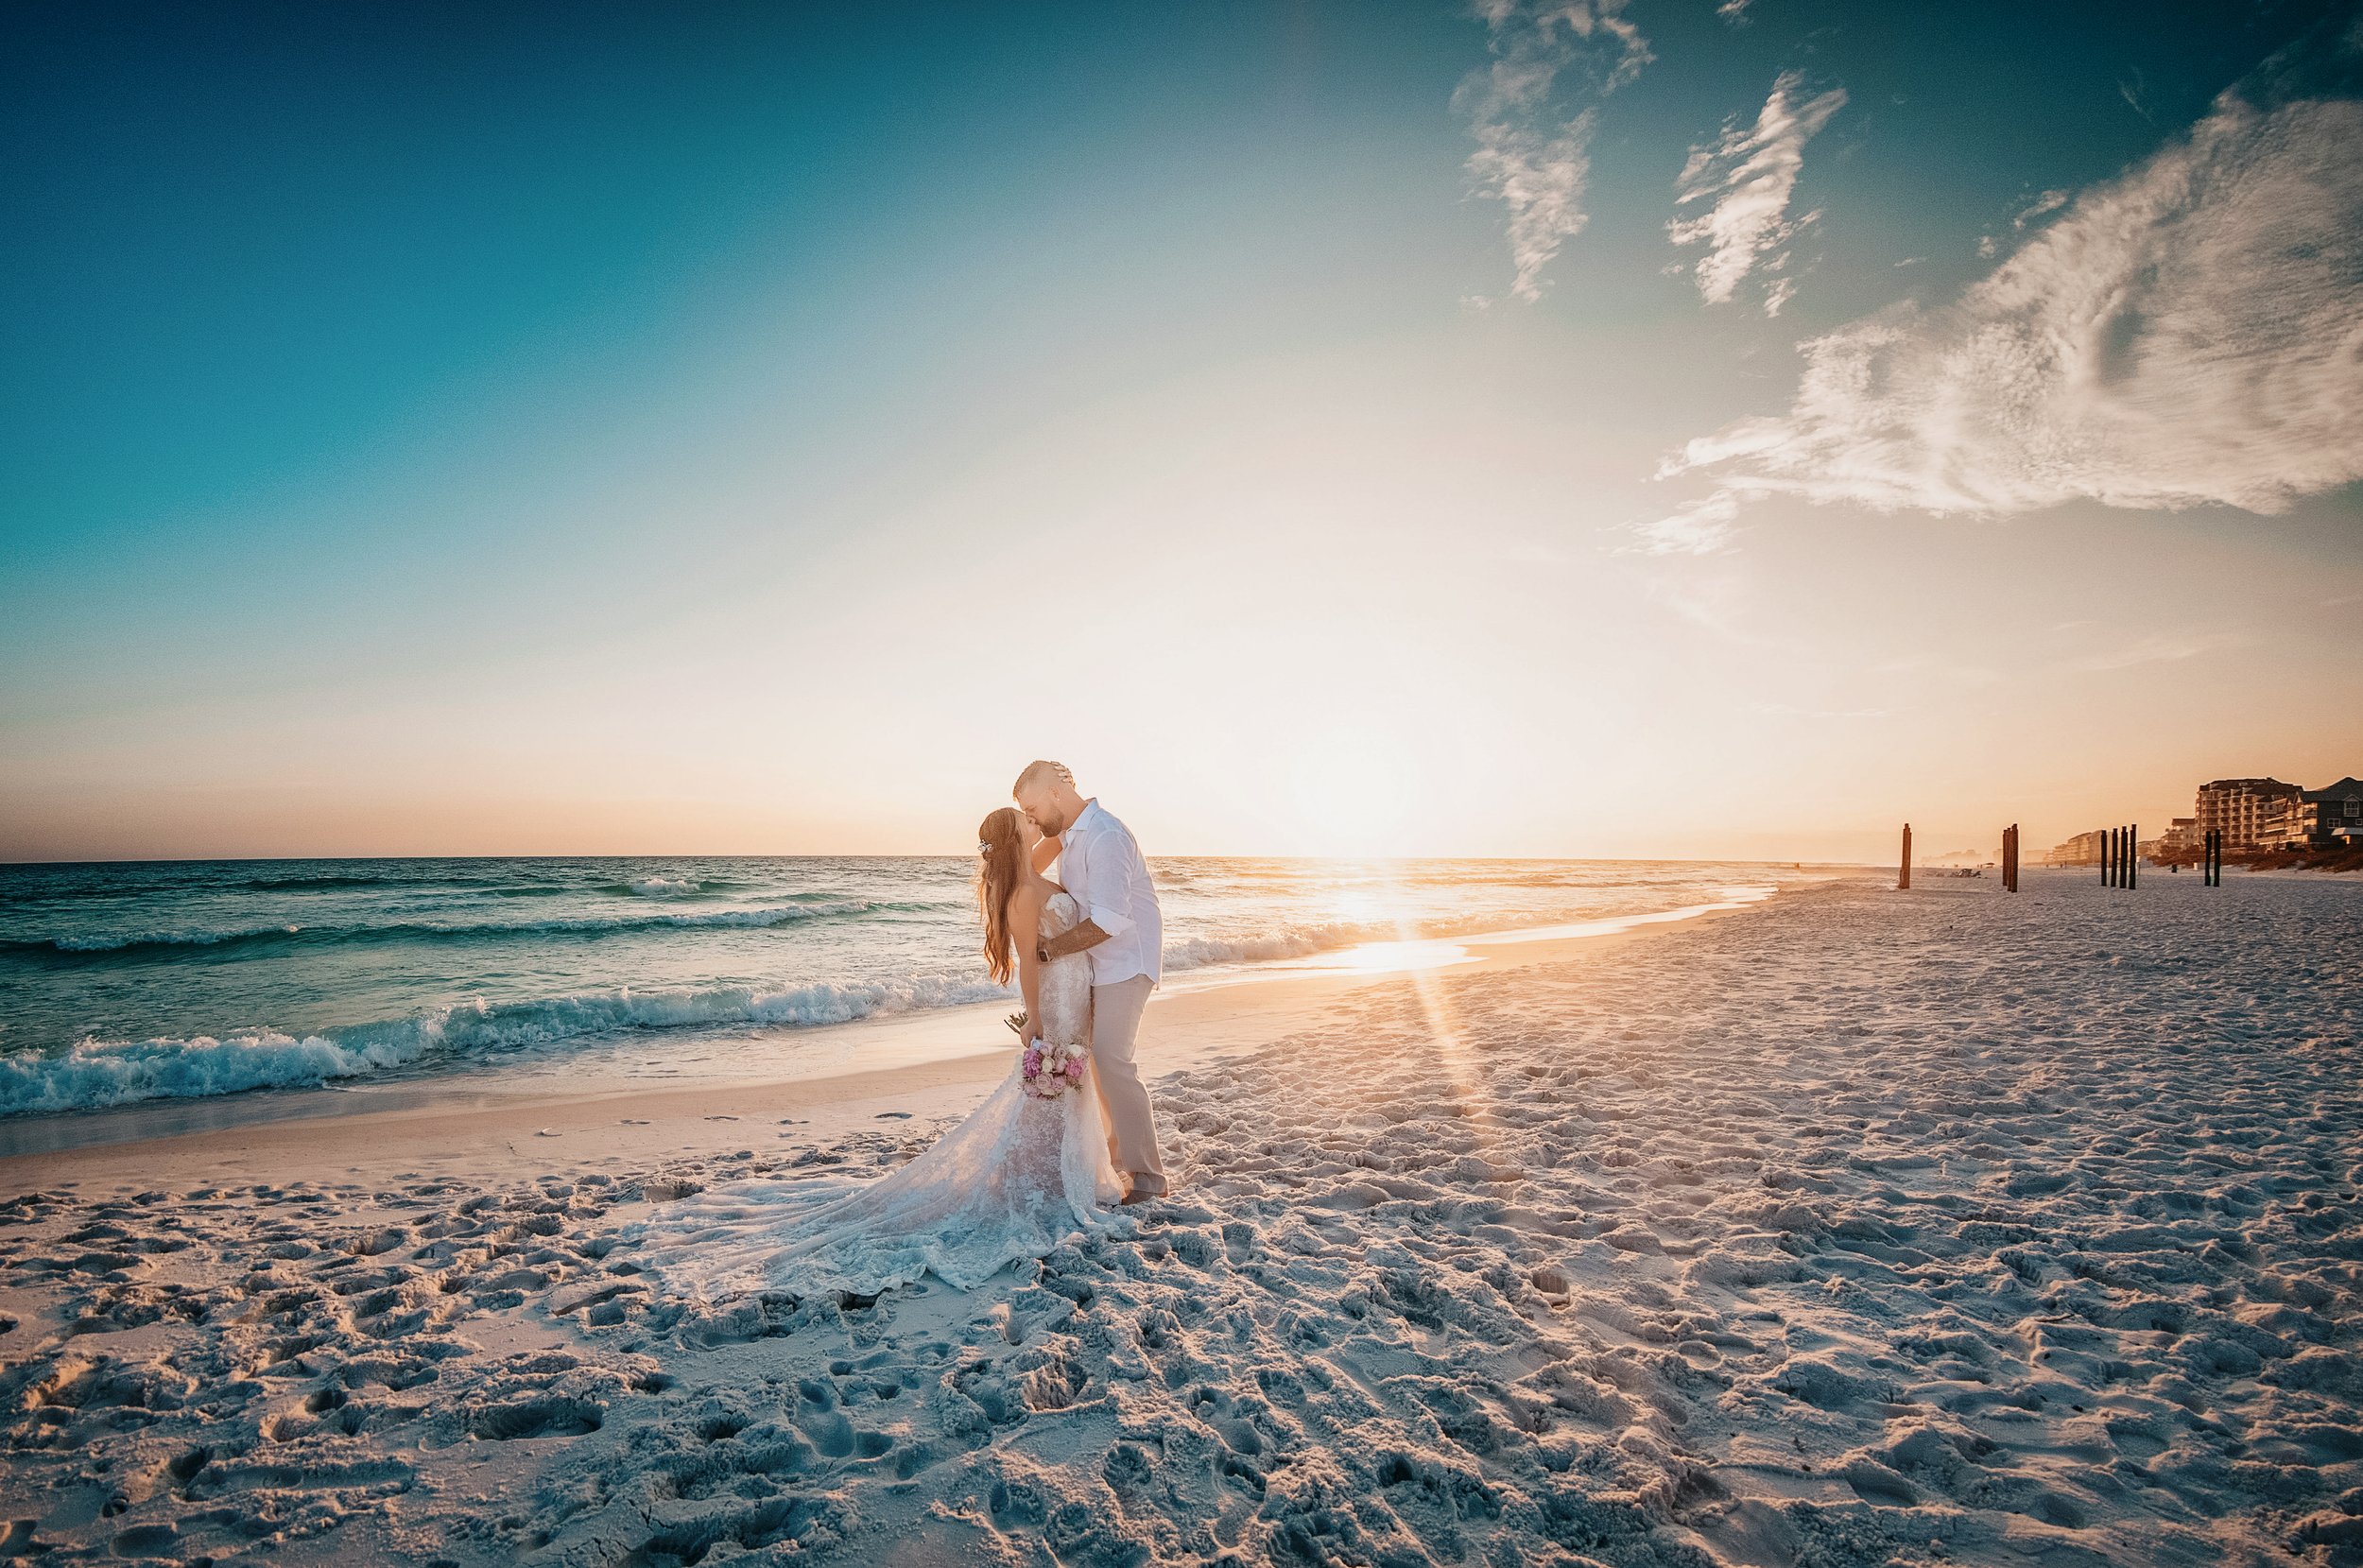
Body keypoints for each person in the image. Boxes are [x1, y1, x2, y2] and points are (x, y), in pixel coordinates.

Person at [613, 804, 1125, 1301]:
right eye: (1023, 820)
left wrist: (1069, 804)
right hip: (1056, 999)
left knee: (1064, 1086)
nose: (1032, 822)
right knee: (1050, 1087)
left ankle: (1056, 1175)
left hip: (1076, 989)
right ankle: (1041, 1183)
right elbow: (1028, 964)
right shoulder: (1023, 895)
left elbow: (1063, 834)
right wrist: (1033, 1018)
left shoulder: (1032, 874)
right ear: (1016, 840)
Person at [1011, 760, 1167, 1204]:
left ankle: (1149, 1177)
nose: (1032, 818)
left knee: (1112, 1060)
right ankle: (1118, 1162)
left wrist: (1048, 950)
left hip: (1125, 962)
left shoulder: (1105, 835)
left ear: (1057, 794)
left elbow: (1110, 920)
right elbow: (1022, 872)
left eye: (1032, 807)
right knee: (1095, 1065)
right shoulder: (1066, 835)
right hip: (1096, 967)